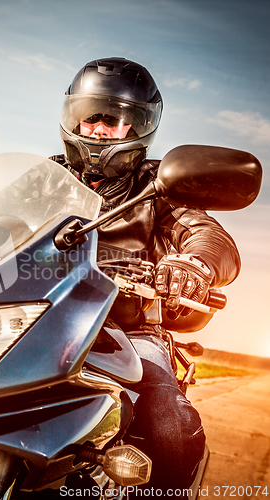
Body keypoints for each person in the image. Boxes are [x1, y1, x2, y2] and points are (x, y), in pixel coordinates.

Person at [50, 57, 240, 497]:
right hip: (31, 316)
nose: (99, 129)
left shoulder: (159, 187)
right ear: (71, 116)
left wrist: (194, 263)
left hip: (124, 329)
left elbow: (209, 236)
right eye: (90, 116)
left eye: (114, 119)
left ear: (139, 129)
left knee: (169, 424)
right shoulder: (41, 177)